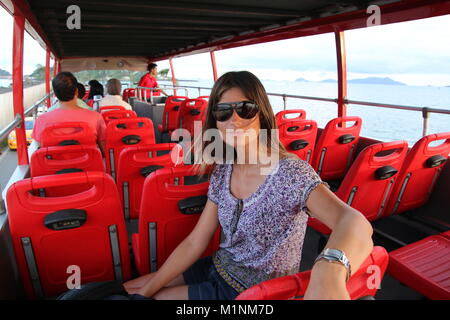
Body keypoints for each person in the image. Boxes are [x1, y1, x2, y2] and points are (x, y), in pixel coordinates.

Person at [123, 71, 374, 300]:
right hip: (218, 266)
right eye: (223, 112)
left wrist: (328, 270)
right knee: (130, 290)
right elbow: (195, 242)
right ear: (215, 121)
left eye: (245, 109)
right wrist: (145, 291)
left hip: (253, 293)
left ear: (262, 114)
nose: (234, 119)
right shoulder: (224, 170)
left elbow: (353, 222)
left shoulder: (289, 173)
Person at [32, 72, 107, 154]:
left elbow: (40, 150)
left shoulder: (42, 120)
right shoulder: (95, 117)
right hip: (88, 164)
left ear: (55, 94)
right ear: (76, 92)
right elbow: (103, 148)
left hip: (55, 165)